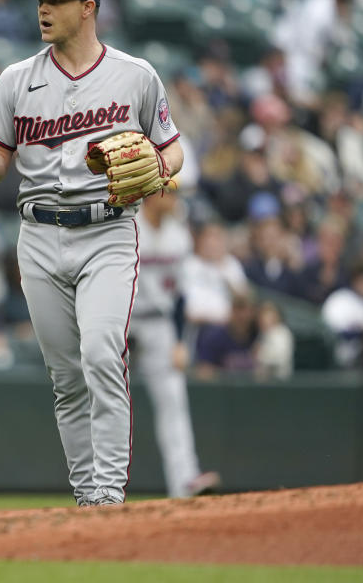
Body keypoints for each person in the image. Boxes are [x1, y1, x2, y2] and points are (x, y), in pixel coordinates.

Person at [0, 0, 185, 506]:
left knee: (103, 355)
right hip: (38, 236)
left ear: (88, 7)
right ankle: (87, 499)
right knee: (66, 377)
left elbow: (173, 147)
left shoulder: (135, 75)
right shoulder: (15, 79)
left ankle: (107, 495)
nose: (42, 7)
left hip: (108, 231)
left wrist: (159, 169)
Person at [130, 191, 220, 498]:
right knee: (106, 400)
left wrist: (180, 340)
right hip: (122, 321)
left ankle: (184, 482)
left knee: (173, 399)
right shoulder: (128, 225)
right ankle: (99, 486)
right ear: (151, 195)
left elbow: (181, 296)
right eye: (168, 191)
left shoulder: (178, 235)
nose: (174, 197)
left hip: (160, 324)